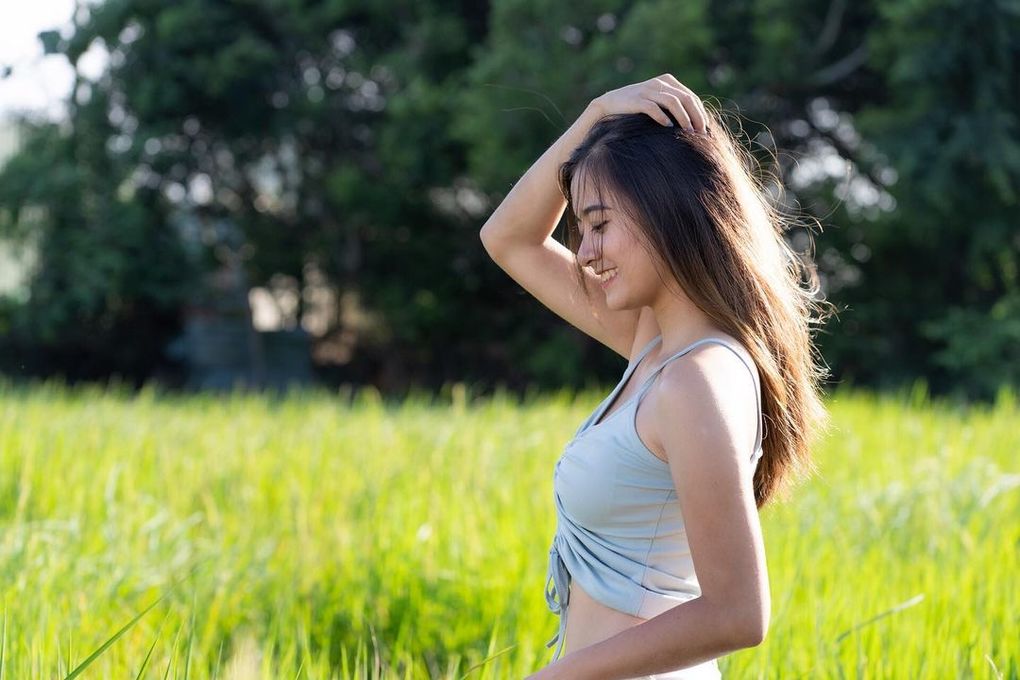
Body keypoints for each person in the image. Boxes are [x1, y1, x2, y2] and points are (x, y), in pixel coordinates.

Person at [479, 74, 829, 679]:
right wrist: (594, 114)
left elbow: (737, 613)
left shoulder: (697, 379)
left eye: (600, 223)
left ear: (666, 207)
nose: (586, 253)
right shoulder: (654, 347)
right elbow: (507, 238)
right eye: (582, 231)